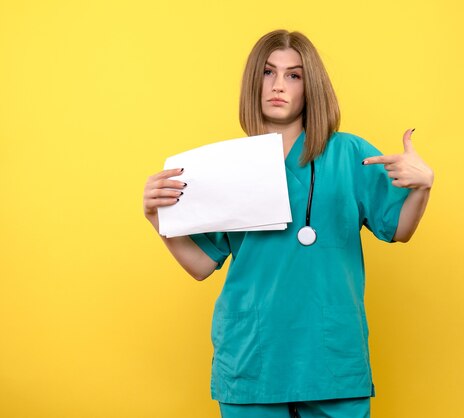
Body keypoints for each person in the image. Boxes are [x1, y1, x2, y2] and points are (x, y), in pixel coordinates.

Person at [143, 30, 434, 418]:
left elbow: (398, 229)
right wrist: (157, 218)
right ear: (253, 82)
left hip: (330, 357)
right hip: (253, 355)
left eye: (293, 75)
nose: (279, 85)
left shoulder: (349, 153)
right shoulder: (227, 165)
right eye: (268, 73)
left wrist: (421, 188)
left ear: (310, 86)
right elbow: (200, 265)